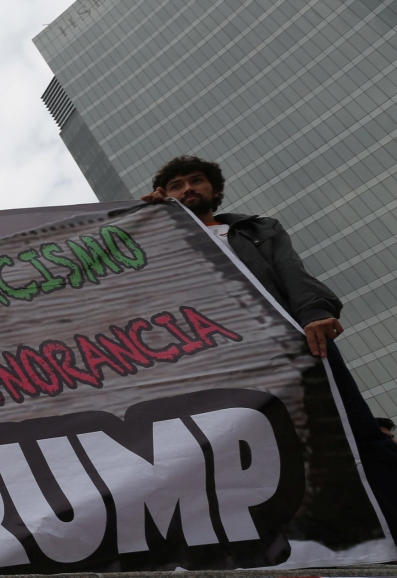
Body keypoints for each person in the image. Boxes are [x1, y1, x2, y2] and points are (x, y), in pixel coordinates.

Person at [142, 156, 397, 530]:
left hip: (294, 344)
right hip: (224, 360)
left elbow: (291, 273)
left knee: (357, 433)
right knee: (264, 451)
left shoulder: (256, 229)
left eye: (196, 181)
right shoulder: (155, 243)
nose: (188, 190)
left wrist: (314, 313)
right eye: (177, 186)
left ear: (215, 190)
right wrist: (143, 224)